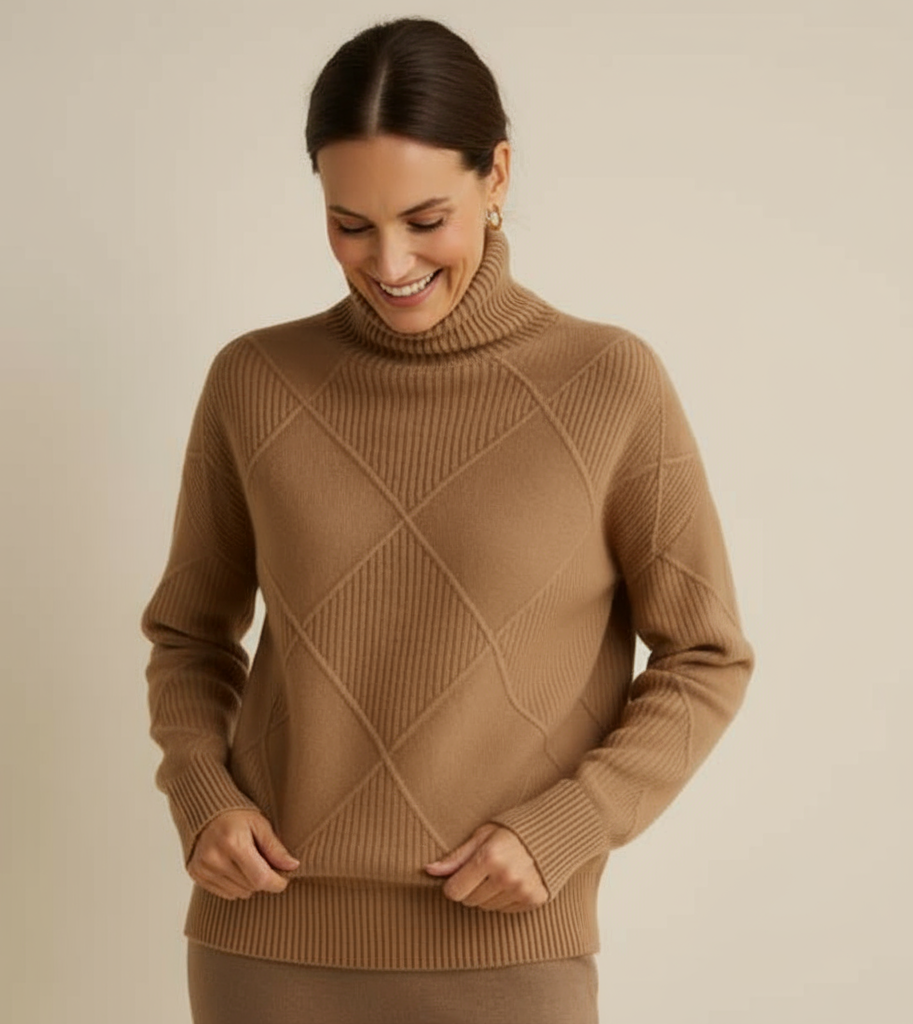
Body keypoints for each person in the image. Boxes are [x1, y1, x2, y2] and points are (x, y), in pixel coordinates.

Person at [141, 17, 754, 1024]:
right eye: (350, 224)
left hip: (505, 952)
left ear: (497, 175)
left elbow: (705, 655)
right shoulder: (255, 380)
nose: (389, 262)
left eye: (425, 219)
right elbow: (188, 635)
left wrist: (568, 825)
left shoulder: (610, 383)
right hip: (264, 944)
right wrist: (203, 795)